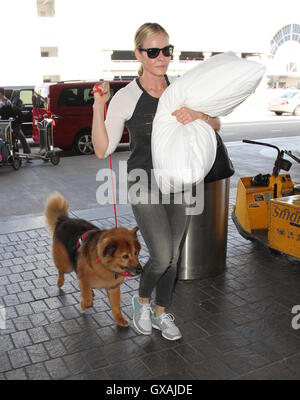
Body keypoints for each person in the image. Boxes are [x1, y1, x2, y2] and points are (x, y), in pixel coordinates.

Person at [92, 22, 220, 341]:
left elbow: (216, 123)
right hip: (143, 181)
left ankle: (162, 313)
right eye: (154, 51)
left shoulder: (181, 91)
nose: (162, 57)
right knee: (162, 255)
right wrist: (98, 105)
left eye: (167, 50)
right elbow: (102, 149)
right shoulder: (127, 96)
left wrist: (198, 115)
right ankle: (143, 302)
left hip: (179, 181)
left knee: (174, 256)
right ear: (139, 53)